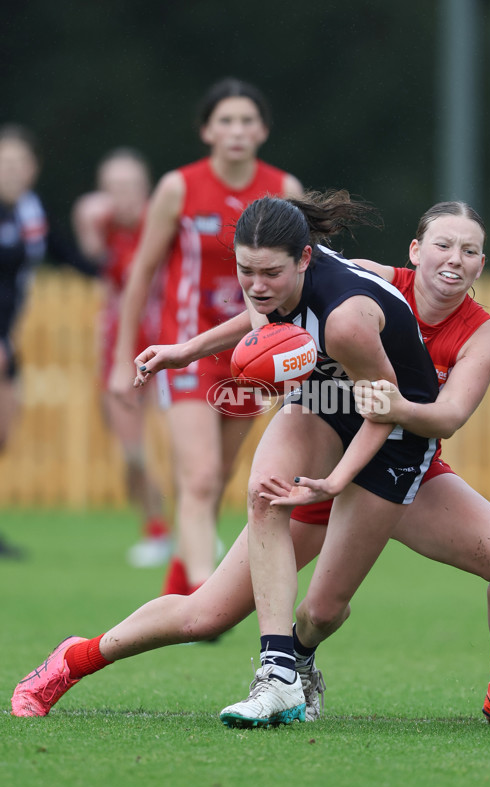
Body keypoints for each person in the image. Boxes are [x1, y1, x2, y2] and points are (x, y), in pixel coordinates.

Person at [11, 201, 490, 730]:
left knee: (353, 605)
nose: (454, 259)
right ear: (416, 251)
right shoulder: (335, 277)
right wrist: (186, 350)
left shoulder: (467, 332)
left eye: (469, 251)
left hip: (396, 453)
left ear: (482, 264)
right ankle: (92, 661)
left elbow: (440, 419)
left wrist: (338, 480)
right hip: (323, 419)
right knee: (213, 600)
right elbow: (269, 318)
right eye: (444, 244)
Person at [109, 78, 303, 596]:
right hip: (186, 349)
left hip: (252, 353)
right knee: (197, 476)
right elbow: (141, 274)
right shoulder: (178, 187)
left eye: (246, 120)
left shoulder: (284, 191)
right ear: (206, 131)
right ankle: (201, 595)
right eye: (225, 121)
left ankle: (180, 579)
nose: (236, 131)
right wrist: (120, 357)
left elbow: (307, 275)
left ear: (262, 130)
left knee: (217, 480)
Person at [0, 124, 97, 558]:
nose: (13, 171)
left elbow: (73, 260)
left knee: (4, 432)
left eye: (20, 162)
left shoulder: (31, 213)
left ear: (33, 169)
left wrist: (124, 263)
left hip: (8, 339)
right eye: (5, 162)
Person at [72, 148, 171, 568]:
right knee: (132, 451)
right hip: (120, 349)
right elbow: (88, 238)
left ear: (146, 188)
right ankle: (155, 528)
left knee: (181, 447)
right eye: (114, 186)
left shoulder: (163, 222)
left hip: (168, 345)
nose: (123, 195)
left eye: (130, 185)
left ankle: (188, 531)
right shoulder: (102, 224)